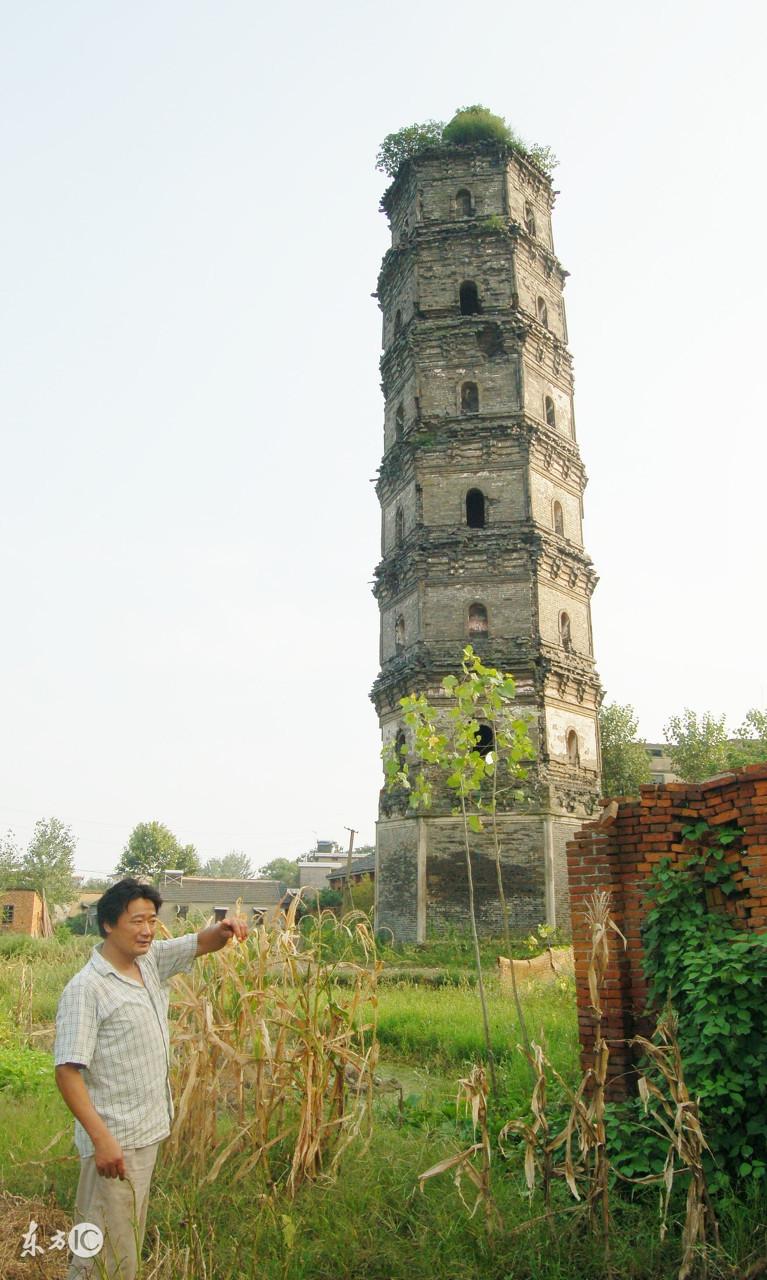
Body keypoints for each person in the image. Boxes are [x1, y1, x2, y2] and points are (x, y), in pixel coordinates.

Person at [54, 877, 249, 1280]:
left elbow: (200, 942)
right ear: (108, 924)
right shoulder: (87, 989)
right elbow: (67, 1072)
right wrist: (102, 1139)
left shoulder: (150, 961)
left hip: (146, 1132)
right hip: (115, 1141)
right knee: (103, 1254)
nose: (146, 930)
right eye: (136, 921)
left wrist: (226, 929)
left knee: (122, 1243)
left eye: (152, 920)